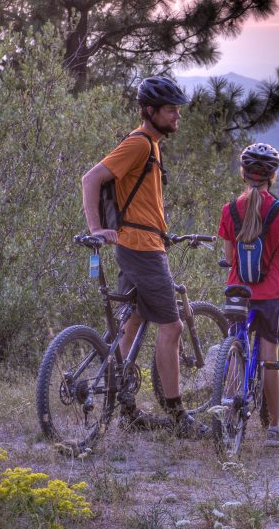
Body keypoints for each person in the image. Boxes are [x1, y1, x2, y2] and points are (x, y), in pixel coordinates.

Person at [80, 76, 206, 437]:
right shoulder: (139, 144)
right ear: (150, 111)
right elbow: (90, 179)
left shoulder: (152, 144)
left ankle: (127, 409)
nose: (177, 115)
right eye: (171, 110)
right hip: (142, 250)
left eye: (177, 109)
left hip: (140, 243)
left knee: (131, 323)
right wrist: (96, 229)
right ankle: (179, 415)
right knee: (173, 326)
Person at [217, 142, 279, 446]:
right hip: (270, 295)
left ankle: (227, 408)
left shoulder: (229, 209)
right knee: (270, 360)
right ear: (272, 177)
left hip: (237, 292)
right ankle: (275, 427)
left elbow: (228, 256)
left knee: (236, 350)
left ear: (244, 174)